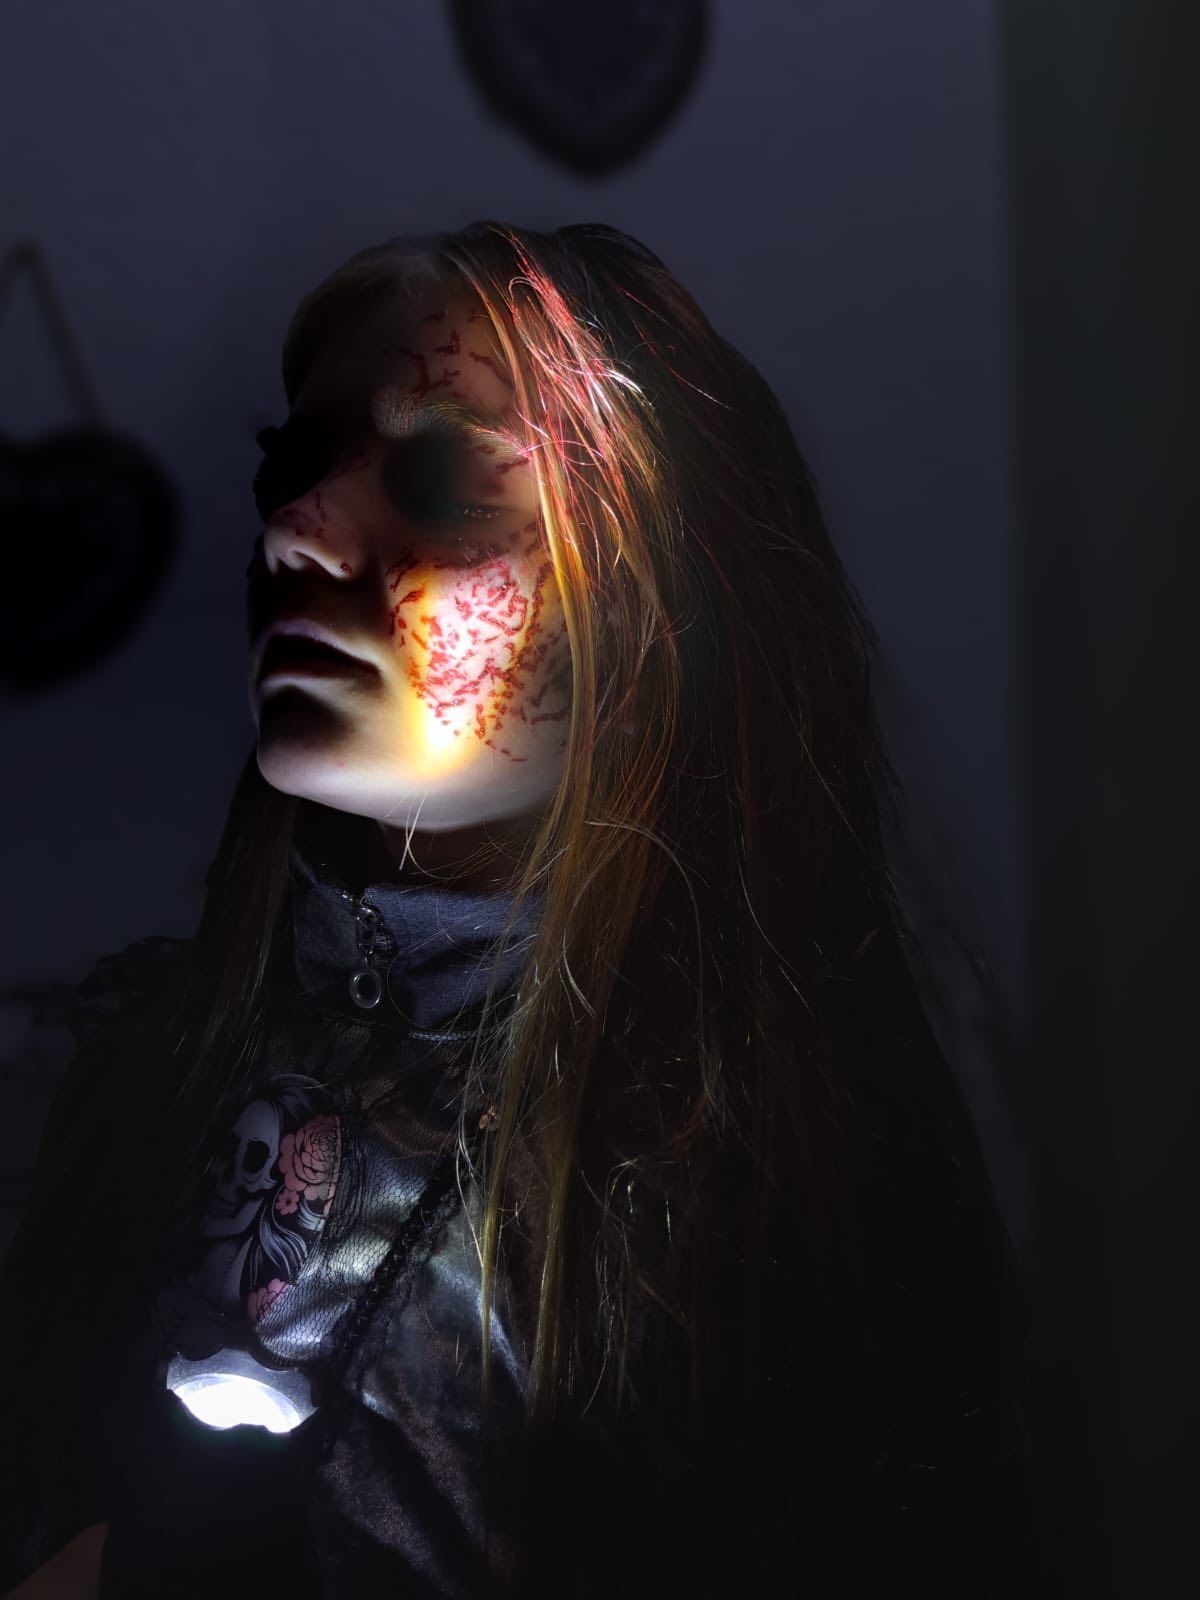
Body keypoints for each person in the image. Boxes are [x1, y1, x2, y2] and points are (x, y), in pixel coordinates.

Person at [0, 222, 1044, 1598]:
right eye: (291, 467)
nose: (297, 531)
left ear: (653, 607)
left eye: (439, 479)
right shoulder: (143, 1073)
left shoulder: (737, 1190)